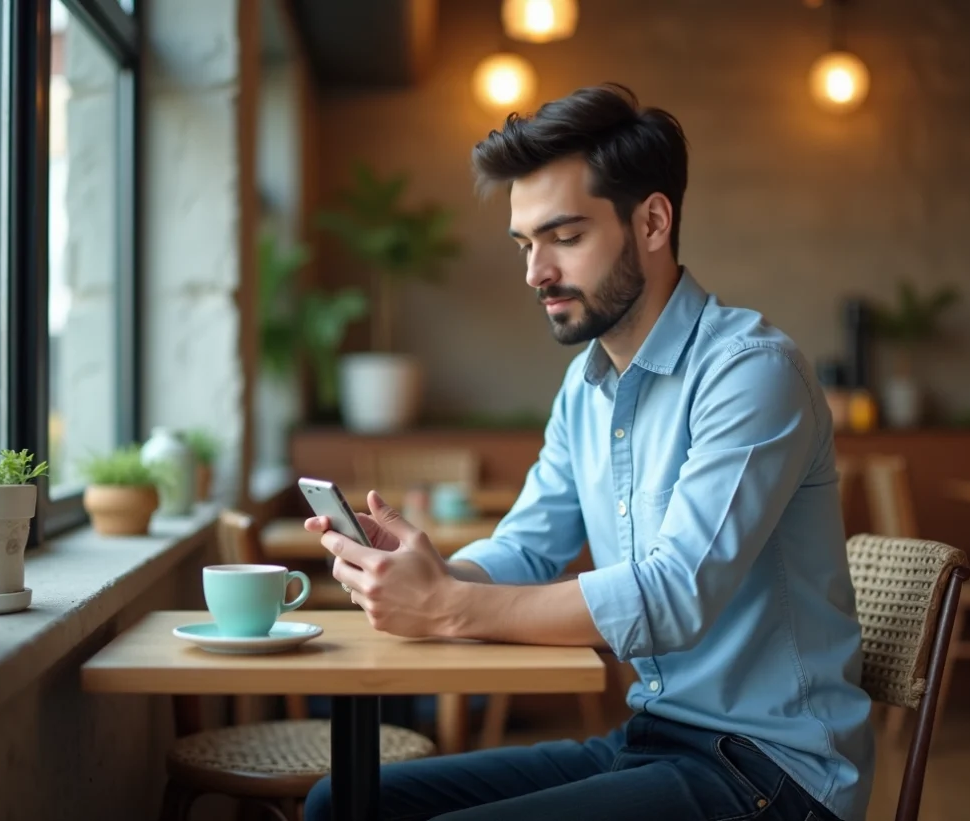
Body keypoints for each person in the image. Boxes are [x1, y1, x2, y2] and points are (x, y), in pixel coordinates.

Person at [303, 82, 874, 821]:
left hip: (773, 772)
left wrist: (448, 606)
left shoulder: (751, 371)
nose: (536, 273)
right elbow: (529, 546)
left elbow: (675, 594)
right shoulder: (587, 387)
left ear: (654, 221)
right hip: (655, 738)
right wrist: (433, 570)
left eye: (564, 237)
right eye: (525, 244)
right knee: (339, 803)